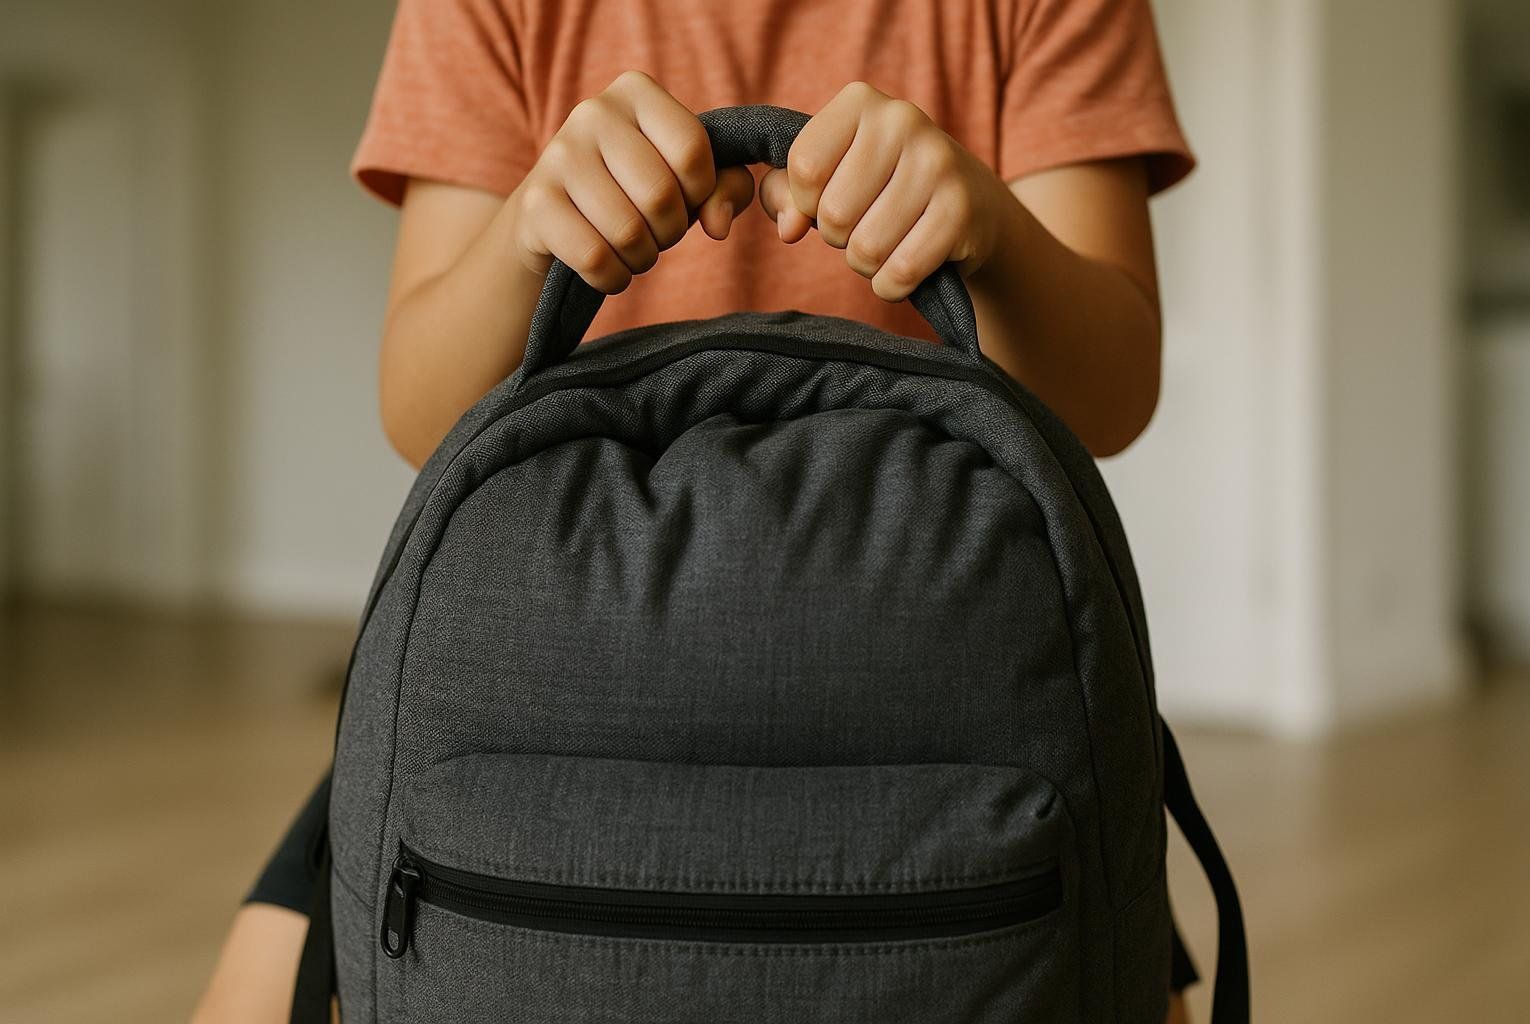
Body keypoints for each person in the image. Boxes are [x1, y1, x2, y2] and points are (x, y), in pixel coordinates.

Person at [193, 1, 1198, 1020]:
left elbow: (1111, 395)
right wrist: (525, 239)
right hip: (554, 686)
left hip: (941, 697)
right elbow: (420, 409)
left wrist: (992, 233)